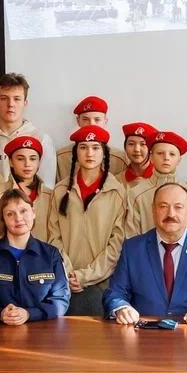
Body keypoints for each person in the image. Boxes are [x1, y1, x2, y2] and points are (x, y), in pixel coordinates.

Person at [104, 182, 187, 324]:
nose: (171, 214)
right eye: (163, 206)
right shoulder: (133, 249)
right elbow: (115, 292)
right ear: (153, 211)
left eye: (178, 207)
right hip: (144, 331)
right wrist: (122, 308)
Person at [46, 125, 129, 316]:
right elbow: (53, 237)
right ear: (76, 152)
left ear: (104, 153)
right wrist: (69, 272)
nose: (89, 153)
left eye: (95, 147)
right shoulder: (60, 190)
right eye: (83, 147)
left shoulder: (117, 192)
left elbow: (117, 243)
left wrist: (86, 276)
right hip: (64, 283)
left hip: (102, 284)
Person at [0, 189, 70, 322]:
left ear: (33, 213)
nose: (18, 218)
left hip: (40, 331)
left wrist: (29, 314)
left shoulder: (51, 255)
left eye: (23, 211)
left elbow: (61, 300)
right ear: (3, 219)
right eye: (10, 214)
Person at [0, 73, 57, 187]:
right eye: (4, 98)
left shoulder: (41, 139)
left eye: (17, 99)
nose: (10, 104)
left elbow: (47, 187)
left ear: (25, 103)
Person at [0, 135, 52, 246]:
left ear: (39, 162)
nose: (27, 164)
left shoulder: (50, 195)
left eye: (33, 159)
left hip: (43, 256)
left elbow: (54, 236)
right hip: (7, 256)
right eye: (20, 159)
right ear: (10, 162)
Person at [126, 131, 187, 236]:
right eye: (160, 153)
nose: (166, 158)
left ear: (179, 159)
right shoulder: (137, 194)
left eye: (172, 154)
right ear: (151, 157)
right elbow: (132, 235)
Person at [55, 96, 128, 182]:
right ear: (78, 121)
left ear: (105, 121)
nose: (91, 124)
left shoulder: (119, 159)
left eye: (97, 120)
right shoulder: (61, 157)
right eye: (85, 119)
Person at [121, 122, 158, 187]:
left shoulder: (161, 179)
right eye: (131, 144)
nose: (137, 149)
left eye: (143, 144)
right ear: (125, 147)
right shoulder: (117, 180)